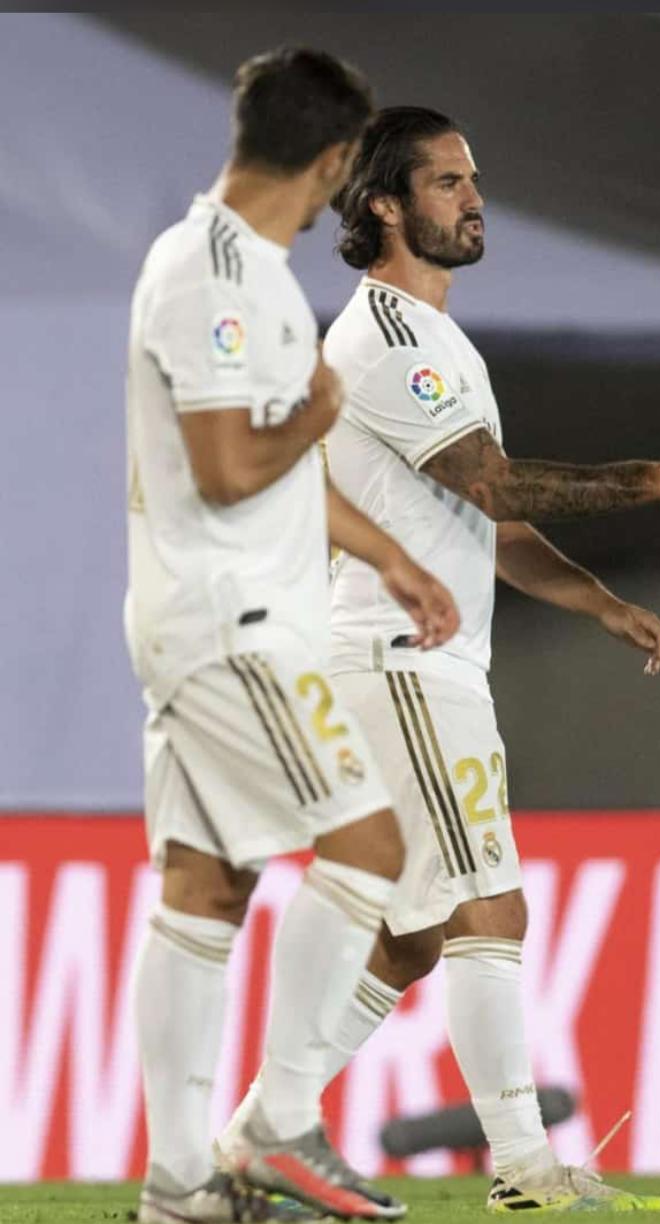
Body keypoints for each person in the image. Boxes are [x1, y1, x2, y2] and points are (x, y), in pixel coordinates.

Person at [216, 106, 660, 1214]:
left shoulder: (438, 341)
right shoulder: (388, 339)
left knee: (411, 937)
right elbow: (493, 485)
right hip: (403, 659)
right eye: (448, 182)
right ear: (384, 206)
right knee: (488, 912)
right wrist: (655, 479)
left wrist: (595, 599)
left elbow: (484, 523)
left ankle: (257, 1136)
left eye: (473, 180)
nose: (475, 199)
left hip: (415, 662)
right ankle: (525, 1168)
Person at [126, 50, 459, 1223]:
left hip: (205, 613)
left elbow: (267, 470)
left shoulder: (229, 267)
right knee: (369, 848)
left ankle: (180, 1188)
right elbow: (231, 468)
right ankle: (277, 1125)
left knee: (204, 893)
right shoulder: (218, 276)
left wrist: (389, 558)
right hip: (235, 623)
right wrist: (317, 415)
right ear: (330, 160)